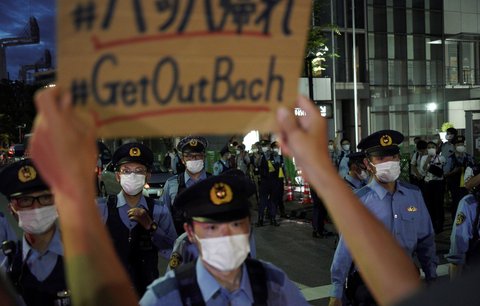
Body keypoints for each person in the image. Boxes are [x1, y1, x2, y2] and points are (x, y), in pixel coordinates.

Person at [140, 174, 309, 305]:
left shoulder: (274, 284)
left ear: (249, 228)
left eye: (236, 225)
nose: (226, 237)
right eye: (212, 228)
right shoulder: (164, 297)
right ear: (190, 233)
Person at [329, 130, 438, 306]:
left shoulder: (413, 195)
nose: (389, 163)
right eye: (381, 159)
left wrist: (432, 277)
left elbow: (426, 239)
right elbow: (346, 249)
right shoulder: (358, 201)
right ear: (368, 163)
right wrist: (337, 291)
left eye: (393, 157)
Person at [97, 142, 177, 296]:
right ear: (118, 176)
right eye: (126, 171)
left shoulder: (159, 210)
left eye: (139, 171)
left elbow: (172, 251)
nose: (132, 176)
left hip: (147, 293)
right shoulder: (102, 208)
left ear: (147, 176)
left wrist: (151, 227)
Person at [0, 159, 70, 306]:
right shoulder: (6, 270)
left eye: (45, 198)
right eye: (25, 200)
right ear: (11, 210)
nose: (36, 208)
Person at [162, 136, 210, 234]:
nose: (193, 159)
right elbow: (165, 217)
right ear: (183, 160)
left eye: (198, 155)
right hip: (180, 242)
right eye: (188, 156)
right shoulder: (171, 184)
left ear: (203, 157)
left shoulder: (215, 182)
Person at [444, 135, 474, 222]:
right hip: (455, 186)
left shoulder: (469, 157)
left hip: (468, 185)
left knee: (467, 203)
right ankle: (456, 223)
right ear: (454, 146)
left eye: (461, 144)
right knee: (456, 204)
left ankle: (467, 222)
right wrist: (454, 171)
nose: (460, 146)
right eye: (458, 144)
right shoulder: (450, 159)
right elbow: (445, 174)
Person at [421, 141, 446, 234]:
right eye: (429, 147)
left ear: (436, 148)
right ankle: (431, 224)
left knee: (438, 204)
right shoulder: (424, 158)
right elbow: (422, 170)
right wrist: (428, 158)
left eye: (432, 147)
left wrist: (431, 167)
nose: (431, 149)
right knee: (429, 204)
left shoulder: (441, 158)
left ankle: (439, 225)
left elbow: (442, 171)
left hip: (438, 183)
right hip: (428, 183)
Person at [257, 140, 281, 227]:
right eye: (263, 146)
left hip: (273, 181)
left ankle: (273, 218)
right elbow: (257, 165)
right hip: (264, 182)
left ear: (269, 146)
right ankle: (260, 220)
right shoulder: (259, 156)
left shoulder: (274, 155)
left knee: (273, 201)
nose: (264, 148)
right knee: (263, 201)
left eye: (265, 146)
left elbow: (278, 164)